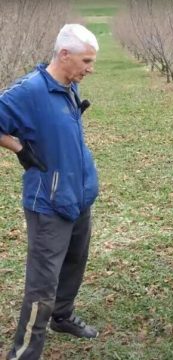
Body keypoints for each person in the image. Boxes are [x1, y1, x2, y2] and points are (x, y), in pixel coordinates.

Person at [0, 24, 100, 360]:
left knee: (74, 264)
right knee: (42, 286)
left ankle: (62, 316)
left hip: (77, 197)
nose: (91, 68)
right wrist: (17, 148)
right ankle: (24, 353)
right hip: (49, 204)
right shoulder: (30, 90)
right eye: (86, 60)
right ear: (64, 54)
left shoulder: (68, 85)